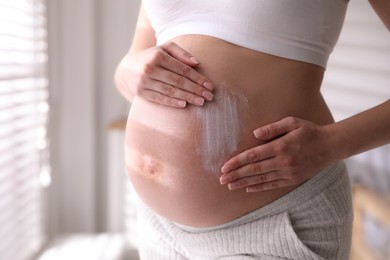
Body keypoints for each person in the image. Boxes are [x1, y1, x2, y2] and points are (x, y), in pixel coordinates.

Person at [114, 1, 390, 259]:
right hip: (158, 228)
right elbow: (132, 70)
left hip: (273, 223)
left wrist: (332, 144)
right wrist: (128, 70)